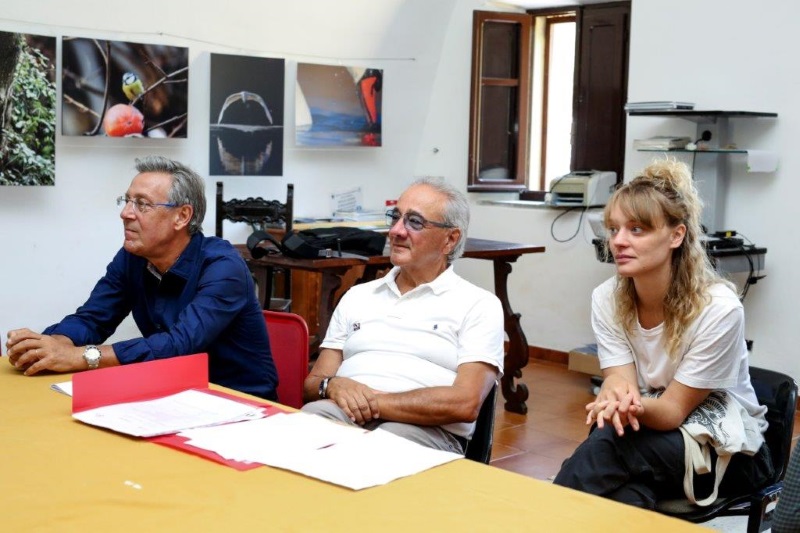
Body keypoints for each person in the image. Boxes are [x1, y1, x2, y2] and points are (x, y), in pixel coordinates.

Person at [553, 159, 774, 508]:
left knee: (611, 444)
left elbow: (671, 410)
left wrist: (624, 406)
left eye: (637, 229)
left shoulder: (719, 308)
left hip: (732, 450)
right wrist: (614, 396)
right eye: (613, 229)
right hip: (658, 435)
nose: (618, 241)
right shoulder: (607, 298)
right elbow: (620, 382)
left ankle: (542, 515)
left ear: (676, 235)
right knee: (624, 488)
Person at [5, 155, 278, 400]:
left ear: (182, 216)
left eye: (142, 204)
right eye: (126, 201)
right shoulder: (133, 257)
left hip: (240, 404)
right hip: (171, 394)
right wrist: (55, 345)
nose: (125, 213)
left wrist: (82, 356)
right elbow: (93, 318)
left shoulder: (223, 267)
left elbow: (179, 345)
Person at [300, 176, 503, 454]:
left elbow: (465, 403)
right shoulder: (358, 296)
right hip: (341, 414)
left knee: (382, 447)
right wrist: (332, 386)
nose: (396, 231)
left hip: (425, 430)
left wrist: (371, 402)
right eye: (395, 217)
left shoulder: (479, 305)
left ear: (450, 239)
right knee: (305, 425)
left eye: (414, 222)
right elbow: (313, 384)